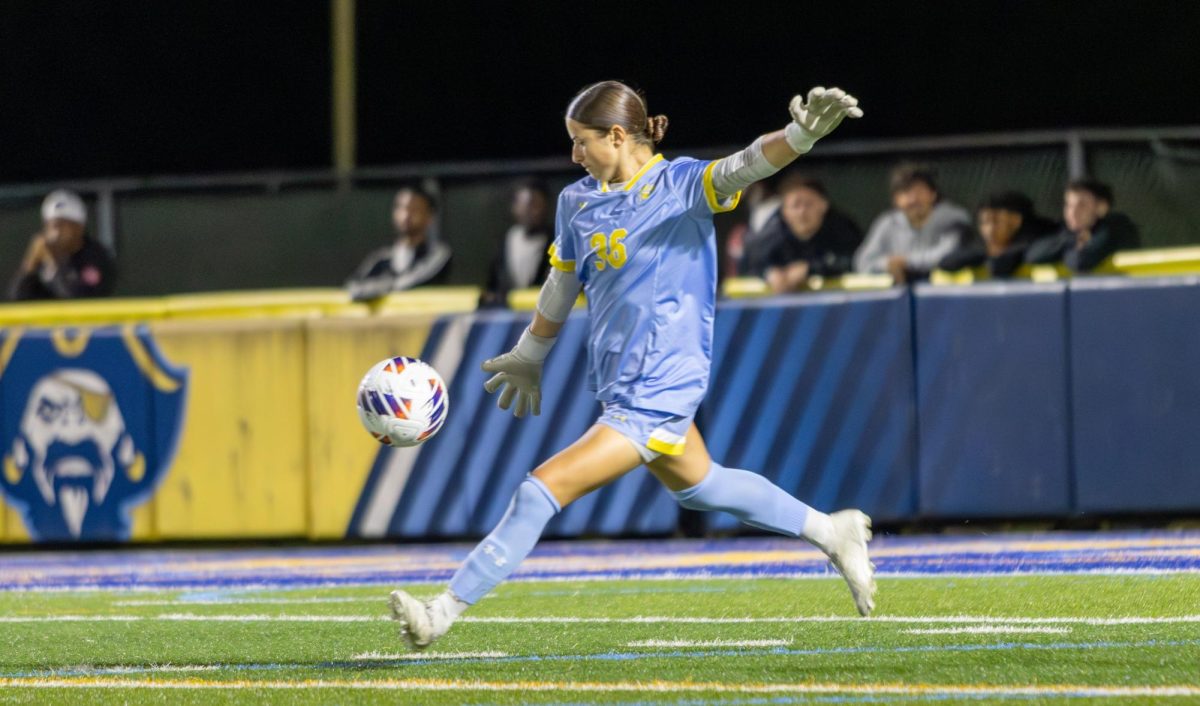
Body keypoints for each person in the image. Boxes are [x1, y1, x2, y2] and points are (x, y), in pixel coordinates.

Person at [388, 81, 876, 650]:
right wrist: (530, 351)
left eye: (581, 142)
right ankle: (830, 530)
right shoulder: (577, 200)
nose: (574, 155)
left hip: (662, 385)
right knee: (702, 485)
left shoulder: (680, 185)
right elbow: (561, 282)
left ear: (618, 136)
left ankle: (440, 613)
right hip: (622, 387)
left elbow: (746, 164)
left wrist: (801, 135)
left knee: (540, 490)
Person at [853, 164, 972, 283]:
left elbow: (947, 256)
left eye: (919, 191)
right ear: (896, 200)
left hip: (945, 293)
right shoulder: (887, 222)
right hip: (902, 294)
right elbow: (862, 261)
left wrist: (904, 262)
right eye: (905, 193)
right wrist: (887, 264)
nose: (913, 199)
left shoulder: (953, 218)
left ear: (933, 194)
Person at [750, 173, 862, 292]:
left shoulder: (843, 230)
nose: (802, 212)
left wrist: (810, 269)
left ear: (824, 205)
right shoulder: (770, 236)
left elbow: (855, 262)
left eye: (808, 204)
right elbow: (750, 267)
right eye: (795, 205)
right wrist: (769, 273)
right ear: (784, 211)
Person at [345, 186, 452, 301]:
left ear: (429, 216)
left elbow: (414, 281)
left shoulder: (438, 254)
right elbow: (353, 286)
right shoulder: (381, 258)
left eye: (415, 209)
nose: (406, 215)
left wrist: (381, 287)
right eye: (402, 208)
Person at [8, 189, 116, 301]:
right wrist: (31, 262)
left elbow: (77, 298)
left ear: (79, 228)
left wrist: (56, 260)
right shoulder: (44, 256)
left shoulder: (95, 256)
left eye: (62, 225)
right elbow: (18, 296)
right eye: (51, 226)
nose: (56, 233)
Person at [1024, 178, 1140, 272]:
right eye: (1069, 205)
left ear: (1102, 208)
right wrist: (1073, 240)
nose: (1073, 212)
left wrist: (1064, 251)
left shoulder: (1116, 226)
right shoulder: (1070, 233)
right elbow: (1032, 256)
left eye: (1082, 205)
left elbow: (1080, 261)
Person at [938, 191, 1055, 278]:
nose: (989, 230)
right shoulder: (982, 245)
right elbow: (946, 263)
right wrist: (986, 253)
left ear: (1015, 221)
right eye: (984, 223)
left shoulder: (1039, 238)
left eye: (996, 222)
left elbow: (1000, 266)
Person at [478, 179, 554, 308]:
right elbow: (493, 283)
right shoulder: (506, 241)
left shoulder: (558, 241)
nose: (532, 212)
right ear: (515, 208)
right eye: (525, 205)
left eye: (536, 205)